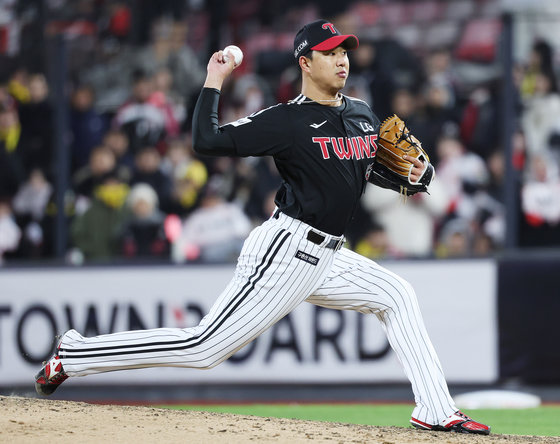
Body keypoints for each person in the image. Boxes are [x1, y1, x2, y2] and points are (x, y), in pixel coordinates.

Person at [34, 20, 490, 436]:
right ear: (305, 62)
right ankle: (74, 353)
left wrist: (412, 178)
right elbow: (206, 140)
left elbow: (365, 170)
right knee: (202, 348)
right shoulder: (285, 120)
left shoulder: (363, 113)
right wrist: (214, 80)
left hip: (331, 255)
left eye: (345, 51)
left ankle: (435, 408)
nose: (342, 59)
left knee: (398, 296)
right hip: (287, 249)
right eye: (331, 52)